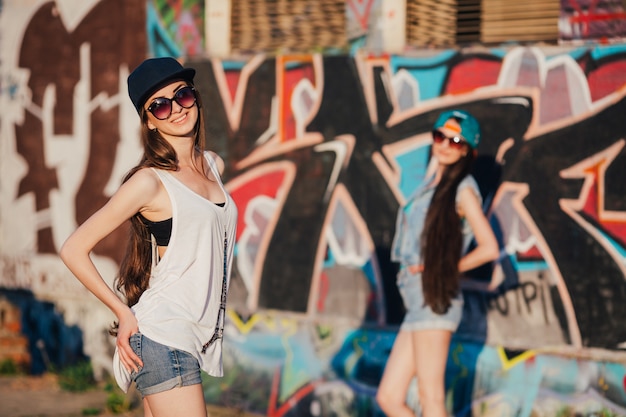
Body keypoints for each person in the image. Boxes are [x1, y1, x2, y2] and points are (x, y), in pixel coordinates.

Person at [60, 57, 237, 417]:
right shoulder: (150, 181)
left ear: (196, 99)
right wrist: (122, 313)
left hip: (181, 339)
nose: (175, 110)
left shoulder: (214, 166)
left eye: (182, 95)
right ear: (148, 121)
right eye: (160, 105)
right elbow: (74, 249)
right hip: (164, 337)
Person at [376, 110, 499, 417]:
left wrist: (442, 268)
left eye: (455, 140)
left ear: (468, 150)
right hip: (418, 301)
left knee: (431, 398)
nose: (444, 145)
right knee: (389, 397)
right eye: (439, 136)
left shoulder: (462, 189)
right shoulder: (433, 184)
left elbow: (489, 248)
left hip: (434, 299)